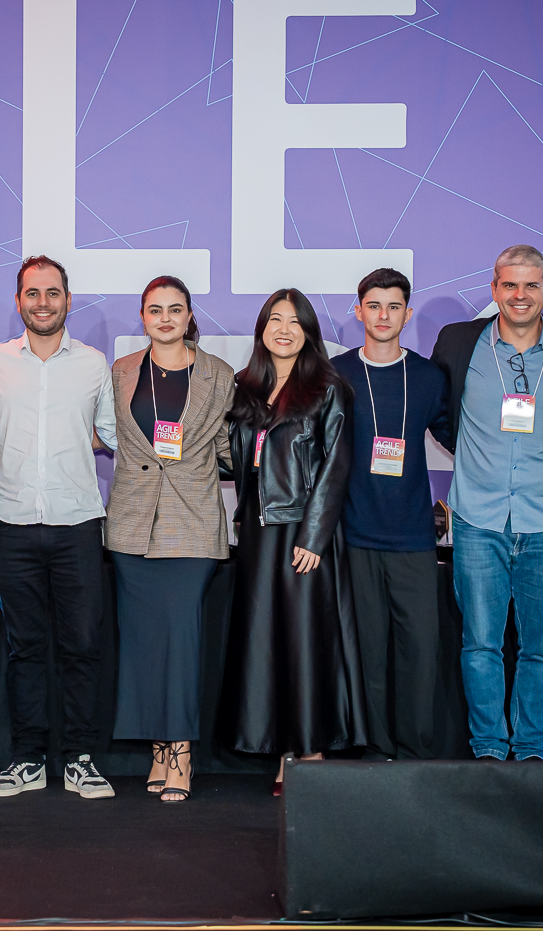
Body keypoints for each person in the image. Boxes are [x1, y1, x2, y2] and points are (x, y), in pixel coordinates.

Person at [432, 244, 543, 762]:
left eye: (530, 285)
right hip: (478, 518)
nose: (519, 295)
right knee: (480, 645)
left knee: (540, 649)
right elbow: (440, 415)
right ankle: (488, 750)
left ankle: (530, 753)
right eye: (509, 284)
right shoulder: (458, 342)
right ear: (494, 289)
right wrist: (474, 456)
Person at [0, 255, 119, 799]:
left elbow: (108, 433)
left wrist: (67, 441)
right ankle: (28, 760)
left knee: (82, 646)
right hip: (12, 522)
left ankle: (81, 759)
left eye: (52, 293)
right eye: (32, 293)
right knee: (25, 649)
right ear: (19, 301)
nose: (43, 303)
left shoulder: (93, 364)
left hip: (77, 522)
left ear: (67, 299)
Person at [219, 288, 365, 795]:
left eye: (294, 322)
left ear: (308, 332)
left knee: (305, 644)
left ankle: (311, 753)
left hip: (304, 534)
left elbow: (335, 466)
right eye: (275, 320)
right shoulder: (245, 387)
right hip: (258, 536)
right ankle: (283, 751)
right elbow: (233, 461)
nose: (283, 330)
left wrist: (314, 536)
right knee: (268, 643)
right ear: (262, 328)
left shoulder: (328, 387)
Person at [107, 277, 235, 803]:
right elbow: (105, 433)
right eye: (155, 310)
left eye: (175, 309)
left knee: (181, 639)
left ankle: (181, 751)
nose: (165, 318)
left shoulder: (219, 374)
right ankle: (158, 750)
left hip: (193, 523)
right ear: (143, 317)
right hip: (132, 524)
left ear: (189, 316)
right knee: (143, 643)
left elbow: (229, 445)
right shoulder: (120, 371)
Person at [331, 268, 451, 761]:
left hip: (413, 537)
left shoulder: (428, 377)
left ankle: (414, 754)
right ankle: (374, 751)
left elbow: (461, 437)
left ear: (408, 312)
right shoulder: (335, 373)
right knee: (367, 654)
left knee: (419, 653)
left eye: (394, 306)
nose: (383, 315)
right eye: (374, 305)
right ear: (359, 310)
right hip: (354, 534)